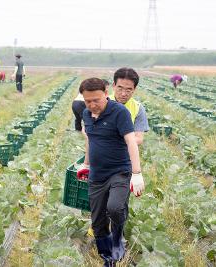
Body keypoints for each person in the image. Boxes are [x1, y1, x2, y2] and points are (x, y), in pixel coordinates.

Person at [78, 77, 145, 266]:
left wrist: (137, 173)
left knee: (115, 208)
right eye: (87, 101)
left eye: (96, 100)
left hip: (119, 172)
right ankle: (108, 257)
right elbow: (90, 140)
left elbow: (132, 141)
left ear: (106, 94)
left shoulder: (119, 112)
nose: (92, 105)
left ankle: (118, 242)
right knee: (97, 221)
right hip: (97, 175)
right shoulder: (86, 114)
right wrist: (86, 164)